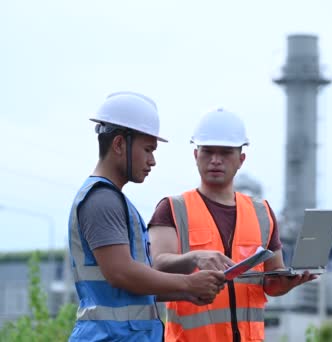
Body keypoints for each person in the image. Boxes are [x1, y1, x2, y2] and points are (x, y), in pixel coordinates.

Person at [68, 92, 230, 341]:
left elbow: (129, 291)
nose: (152, 161)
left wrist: (187, 291)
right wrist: (188, 284)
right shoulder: (102, 199)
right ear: (120, 144)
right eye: (147, 149)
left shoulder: (115, 200)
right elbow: (121, 273)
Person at [148, 108, 316, 342]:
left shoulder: (263, 213)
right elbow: (156, 266)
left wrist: (288, 283)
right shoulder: (173, 209)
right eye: (208, 152)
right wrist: (195, 257)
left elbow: (271, 283)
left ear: (241, 159)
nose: (215, 160)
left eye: (225, 153)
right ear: (196, 155)